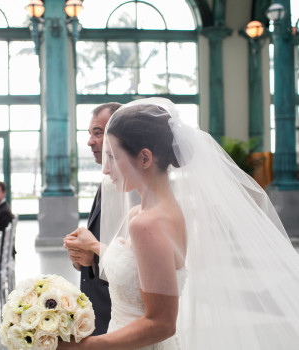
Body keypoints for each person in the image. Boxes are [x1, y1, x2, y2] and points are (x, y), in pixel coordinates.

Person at [62, 98, 299, 350]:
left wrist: (82, 346)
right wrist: (97, 249)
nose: (106, 169)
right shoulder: (153, 212)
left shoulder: (147, 223)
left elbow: (162, 323)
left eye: (113, 156)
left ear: (145, 158)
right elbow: (138, 270)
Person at [65, 102, 122, 336]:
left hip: (117, 312)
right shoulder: (109, 180)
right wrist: (81, 250)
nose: (89, 142)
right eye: (90, 134)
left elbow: (140, 263)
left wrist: (93, 252)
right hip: (100, 306)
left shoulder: (135, 188)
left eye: (97, 133)